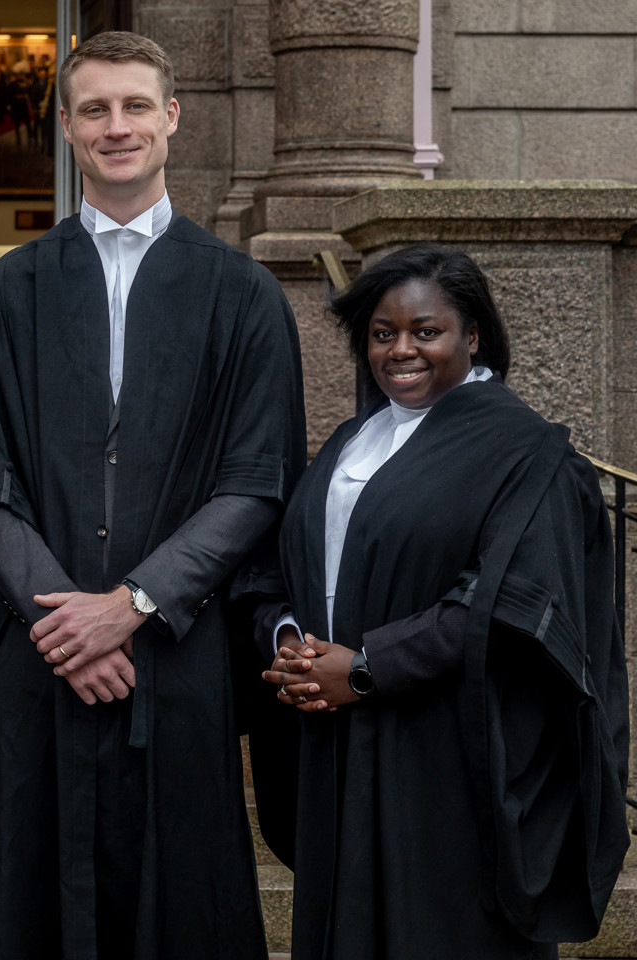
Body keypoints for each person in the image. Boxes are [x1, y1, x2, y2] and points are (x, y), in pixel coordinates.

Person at [0, 29, 306, 960]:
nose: (117, 125)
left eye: (136, 105)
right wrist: (66, 621)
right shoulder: (6, 292)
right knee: (28, 903)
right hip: (37, 657)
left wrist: (133, 605)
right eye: (94, 108)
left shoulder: (243, 294)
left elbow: (257, 482)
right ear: (65, 126)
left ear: (172, 118)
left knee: (178, 909)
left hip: (173, 663)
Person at [261, 245, 629, 958]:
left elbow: (508, 602)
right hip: (336, 744)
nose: (401, 350)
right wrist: (286, 644)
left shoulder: (526, 452)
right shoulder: (351, 441)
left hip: (445, 756)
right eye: (381, 333)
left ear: (472, 335)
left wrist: (365, 671)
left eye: (425, 331)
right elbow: (284, 568)